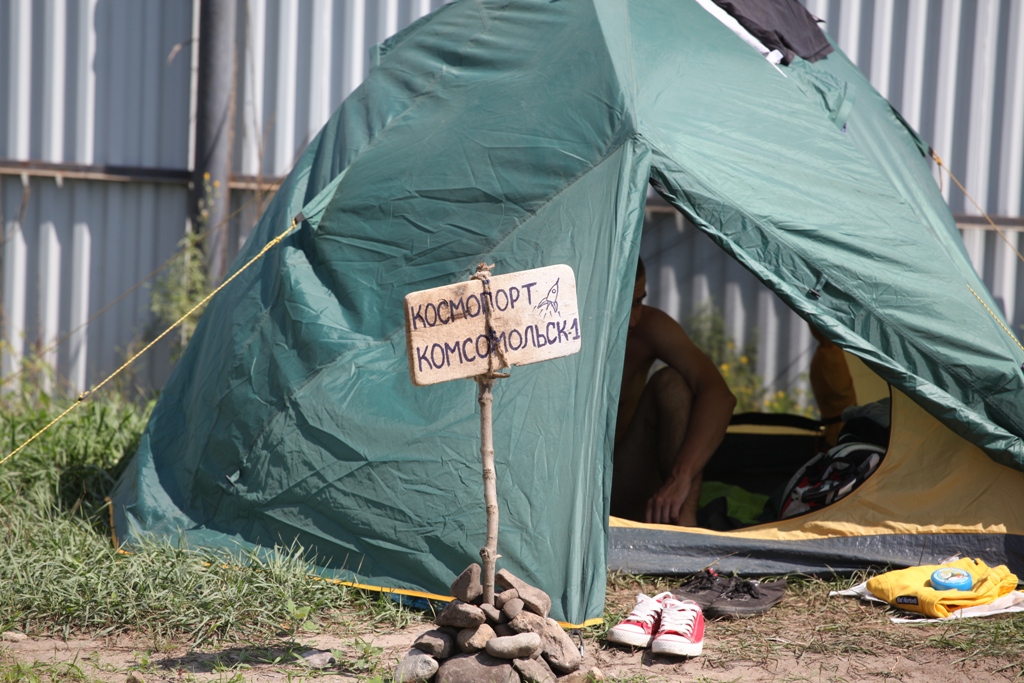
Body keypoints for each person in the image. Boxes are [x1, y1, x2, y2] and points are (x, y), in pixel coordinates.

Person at [611, 258, 736, 526]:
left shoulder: (648, 328)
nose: (633, 320)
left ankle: (684, 533)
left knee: (673, 384)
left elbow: (719, 395)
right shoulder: (553, 333)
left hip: (618, 483)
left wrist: (682, 476)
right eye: (622, 304)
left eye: (638, 301)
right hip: (561, 488)